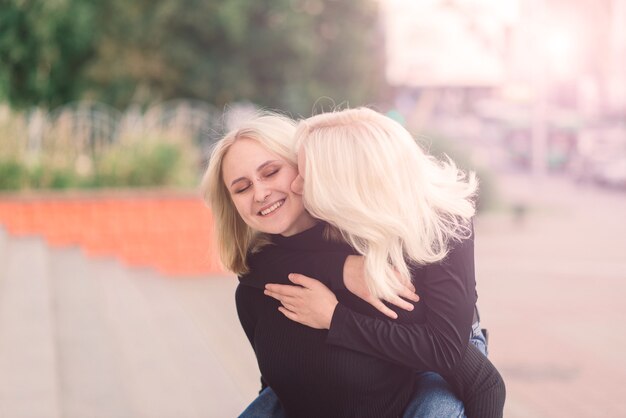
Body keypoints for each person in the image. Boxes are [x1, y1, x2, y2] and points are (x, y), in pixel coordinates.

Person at [201, 109, 505, 418]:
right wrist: (342, 271)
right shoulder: (268, 273)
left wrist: (335, 316)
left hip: (448, 334)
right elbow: (255, 266)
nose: (262, 193)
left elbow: (461, 361)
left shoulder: (414, 241)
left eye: (272, 172)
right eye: (241, 188)